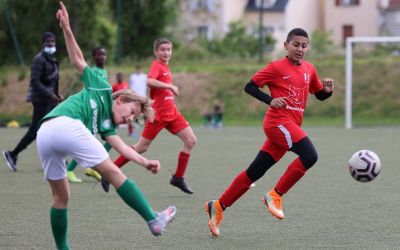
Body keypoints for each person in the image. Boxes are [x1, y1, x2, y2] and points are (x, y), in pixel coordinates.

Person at [39, 3, 176, 249]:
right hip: (63, 125)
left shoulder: (106, 126)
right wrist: (67, 28)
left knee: (61, 197)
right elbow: (77, 59)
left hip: (45, 134)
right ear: (121, 99)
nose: (130, 118)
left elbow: (122, 147)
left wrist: (145, 162)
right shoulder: (101, 88)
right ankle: (153, 219)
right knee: (112, 172)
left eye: (134, 118)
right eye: (132, 112)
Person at [204, 28, 335, 237]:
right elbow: (250, 87)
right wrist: (270, 100)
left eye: (304, 45)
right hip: (277, 123)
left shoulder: (310, 69)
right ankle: (275, 195)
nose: (300, 49)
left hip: (290, 127)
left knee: (254, 172)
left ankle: (218, 206)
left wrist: (328, 92)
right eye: (295, 45)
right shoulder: (276, 67)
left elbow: (319, 95)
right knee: (310, 155)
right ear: (286, 45)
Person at [104, 38, 197, 195]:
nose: (166, 52)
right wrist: (170, 86)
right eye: (163, 49)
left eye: (169, 49)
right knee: (141, 147)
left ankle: (178, 178)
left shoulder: (166, 67)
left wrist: (169, 91)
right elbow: (149, 81)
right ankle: (109, 172)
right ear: (156, 52)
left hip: (172, 113)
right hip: (158, 115)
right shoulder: (157, 65)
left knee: (191, 140)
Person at [2, 31, 63, 172]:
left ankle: (55, 160)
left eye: (53, 42)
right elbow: (35, 82)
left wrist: (57, 94)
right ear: (43, 44)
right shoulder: (39, 59)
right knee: (36, 130)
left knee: (52, 129)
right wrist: (50, 95)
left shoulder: (52, 60)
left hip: (50, 101)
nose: (51, 44)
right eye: (48, 42)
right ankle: (12, 154)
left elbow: (54, 81)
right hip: (41, 100)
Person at [66, 46, 110, 183]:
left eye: (104, 54)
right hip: (93, 109)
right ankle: (69, 170)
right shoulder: (94, 71)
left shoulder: (104, 71)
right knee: (91, 139)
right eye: (99, 54)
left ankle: (93, 167)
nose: (102, 57)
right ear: (94, 57)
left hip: (101, 109)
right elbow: (92, 90)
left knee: (108, 140)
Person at [128, 65, 148, 137]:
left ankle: (146, 129)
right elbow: (130, 86)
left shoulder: (145, 76)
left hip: (143, 97)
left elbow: (147, 87)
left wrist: (147, 96)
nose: (138, 70)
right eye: (137, 69)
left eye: (139, 69)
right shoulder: (132, 77)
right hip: (134, 97)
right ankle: (131, 130)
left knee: (145, 113)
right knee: (132, 113)